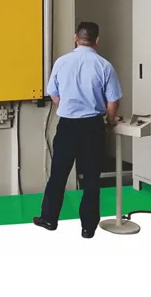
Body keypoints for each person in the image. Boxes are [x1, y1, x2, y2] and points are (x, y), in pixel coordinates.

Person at [33, 21, 122, 238]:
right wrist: (111, 120)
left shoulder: (62, 62)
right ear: (96, 40)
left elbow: (53, 93)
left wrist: (66, 106)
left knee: (58, 174)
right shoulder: (104, 66)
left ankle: (49, 219)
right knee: (91, 178)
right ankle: (88, 227)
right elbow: (113, 101)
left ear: (76, 38)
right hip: (93, 127)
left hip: (67, 126)